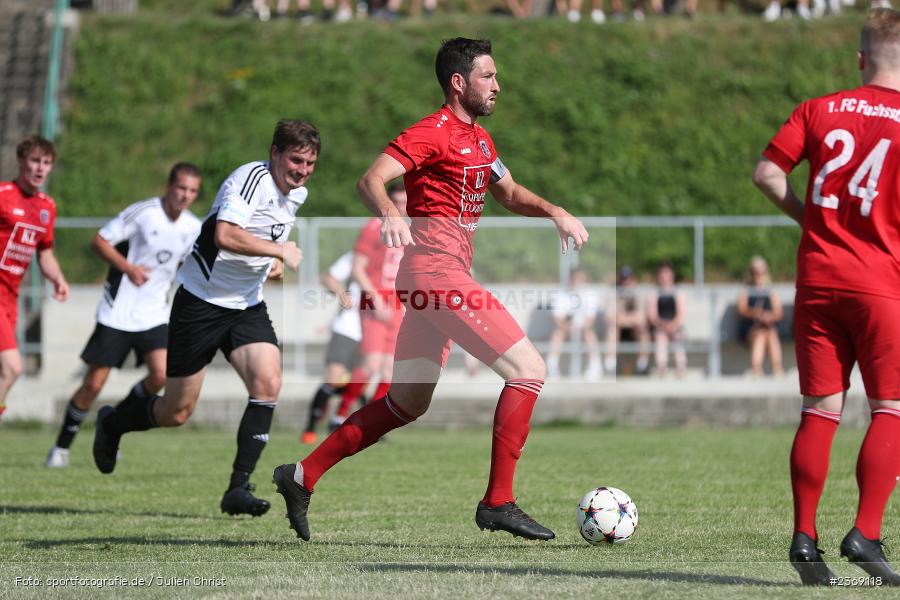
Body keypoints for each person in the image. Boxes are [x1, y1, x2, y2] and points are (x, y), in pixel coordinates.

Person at [272, 37, 589, 543]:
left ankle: (301, 475)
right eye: (489, 76)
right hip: (436, 275)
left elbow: (506, 192)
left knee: (407, 403)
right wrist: (393, 213)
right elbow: (371, 179)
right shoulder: (432, 132)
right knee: (529, 371)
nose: (498, 85)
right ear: (459, 82)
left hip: (429, 283)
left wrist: (554, 211)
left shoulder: (481, 142)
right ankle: (498, 502)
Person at [92, 120, 316, 518]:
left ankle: (237, 487)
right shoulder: (252, 179)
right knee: (176, 412)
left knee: (268, 382)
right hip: (200, 303)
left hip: (246, 305)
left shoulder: (296, 194)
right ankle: (112, 424)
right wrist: (279, 252)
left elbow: (262, 238)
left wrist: (271, 260)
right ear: (275, 152)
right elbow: (225, 235)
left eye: (310, 163)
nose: (302, 170)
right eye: (296, 160)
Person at [752, 8, 900, 586]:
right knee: (889, 409)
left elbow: (767, 173)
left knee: (820, 410)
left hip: (817, 279)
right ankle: (865, 531)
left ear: (861, 59)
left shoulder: (821, 109)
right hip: (881, 283)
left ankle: (805, 540)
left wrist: (808, 217)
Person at [45, 164, 201, 468]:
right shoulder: (144, 212)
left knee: (161, 375)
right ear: (169, 186)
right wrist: (128, 268)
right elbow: (99, 241)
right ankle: (61, 447)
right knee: (94, 384)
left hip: (154, 313)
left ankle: (113, 425)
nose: (186, 196)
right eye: (182, 188)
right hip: (118, 312)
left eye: (193, 191)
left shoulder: (193, 227)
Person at [0, 135, 69, 421]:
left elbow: (45, 254)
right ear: (20, 161)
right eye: (35, 161)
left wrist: (57, 278)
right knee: (13, 367)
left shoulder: (46, 207)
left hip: (10, 298)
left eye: (47, 163)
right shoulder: (3, 194)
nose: (40, 168)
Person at [329, 183, 407, 428]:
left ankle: (371, 423)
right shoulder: (374, 227)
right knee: (371, 364)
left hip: (398, 304)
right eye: (396, 202)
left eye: (405, 203)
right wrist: (376, 299)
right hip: (374, 302)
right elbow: (357, 269)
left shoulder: (409, 229)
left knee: (388, 371)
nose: (401, 208)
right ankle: (340, 415)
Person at [301, 251, 362, 444]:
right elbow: (328, 278)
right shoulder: (356, 256)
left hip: (372, 333)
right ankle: (310, 428)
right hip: (347, 330)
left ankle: (339, 422)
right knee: (333, 378)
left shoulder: (397, 256)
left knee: (359, 381)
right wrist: (342, 294)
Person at [546, 266, 603, 380]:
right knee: (558, 333)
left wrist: (580, 326)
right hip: (566, 328)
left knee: (589, 333)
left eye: (578, 278)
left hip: (583, 328)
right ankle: (552, 366)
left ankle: (595, 365)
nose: (575, 281)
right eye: (573, 278)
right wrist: (569, 327)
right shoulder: (560, 294)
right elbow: (558, 319)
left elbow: (590, 319)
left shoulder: (589, 294)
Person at [736, 255, 784, 378]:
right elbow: (742, 310)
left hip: (768, 326)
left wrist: (769, 317)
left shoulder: (771, 290)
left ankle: (776, 369)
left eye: (761, 272)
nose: (758, 275)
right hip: (750, 327)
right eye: (755, 272)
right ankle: (757, 370)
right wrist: (756, 314)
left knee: (770, 332)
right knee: (761, 333)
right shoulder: (746, 290)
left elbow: (779, 312)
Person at [604, 265, 650, 376]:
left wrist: (622, 318)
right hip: (619, 329)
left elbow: (641, 318)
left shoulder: (639, 292)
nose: (625, 282)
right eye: (623, 279)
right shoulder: (613, 292)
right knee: (612, 330)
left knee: (643, 330)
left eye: (628, 278)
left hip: (634, 331)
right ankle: (610, 365)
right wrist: (629, 319)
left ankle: (642, 365)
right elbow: (610, 317)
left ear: (633, 279)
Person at [646, 261, 687, 377]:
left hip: (676, 327)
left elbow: (681, 314)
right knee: (660, 337)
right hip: (660, 327)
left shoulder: (678, 292)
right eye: (662, 276)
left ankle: (681, 368)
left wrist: (673, 326)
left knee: (678, 336)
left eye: (667, 275)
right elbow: (652, 316)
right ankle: (662, 368)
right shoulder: (654, 293)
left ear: (672, 276)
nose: (664, 279)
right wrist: (663, 325)